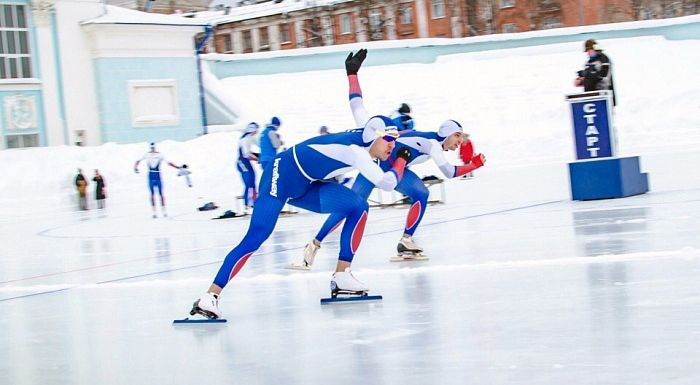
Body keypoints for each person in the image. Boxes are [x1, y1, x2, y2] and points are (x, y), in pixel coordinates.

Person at [188, 115, 412, 319]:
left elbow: (357, 103)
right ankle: (210, 297)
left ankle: (342, 276)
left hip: (305, 184)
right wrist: (401, 160)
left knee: (358, 206)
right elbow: (387, 183)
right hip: (280, 173)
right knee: (256, 237)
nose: (392, 146)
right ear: (374, 137)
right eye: (388, 140)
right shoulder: (357, 152)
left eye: (395, 140)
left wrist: (352, 73)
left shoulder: (367, 136)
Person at [294, 49, 486, 268]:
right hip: (384, 165)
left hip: (375, 163)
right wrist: (475, 164)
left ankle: (314, 244)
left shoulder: (367, 126)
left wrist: (352, 73)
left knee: (352, 205)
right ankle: (405, 240)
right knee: (419, 193)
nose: (459, 142)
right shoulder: (433, 144)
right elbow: (449, 173)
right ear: (447, 133)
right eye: (457, 136)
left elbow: (356, 102)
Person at [133, 142, 181, 218]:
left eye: (153, 148)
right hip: (150, 175)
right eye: (151, 148)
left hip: (158, 175)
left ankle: (164, 210)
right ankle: (154, 212)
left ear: (155, 147)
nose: (152, 149)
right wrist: (135, 167)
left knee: (161, 194)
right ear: (150, 148)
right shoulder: (147, 154)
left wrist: (177, 167)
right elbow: (138, 161)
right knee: (152, 194)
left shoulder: (159, 155)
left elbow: (168, 163)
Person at [575, 39, 616, 106]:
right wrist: (581, 80)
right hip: (591, 98)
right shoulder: (589, 62)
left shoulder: (603, 59)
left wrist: (587, 74)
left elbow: (603, 75)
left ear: (595, 48)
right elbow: (589, 78)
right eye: (587, 51)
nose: (588, 53)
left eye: (589, 50)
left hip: (603, 96)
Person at [237, 122, 260, 214]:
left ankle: (254, 202)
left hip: (246, 162)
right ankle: (247, 204)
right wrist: (257, 158)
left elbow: (253, 149)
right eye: (256, 130)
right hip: (242, 162)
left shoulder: (249, 137)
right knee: (249, 182)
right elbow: (246, 154)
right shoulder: (245, 139)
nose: (257, 132)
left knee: (253, 180)